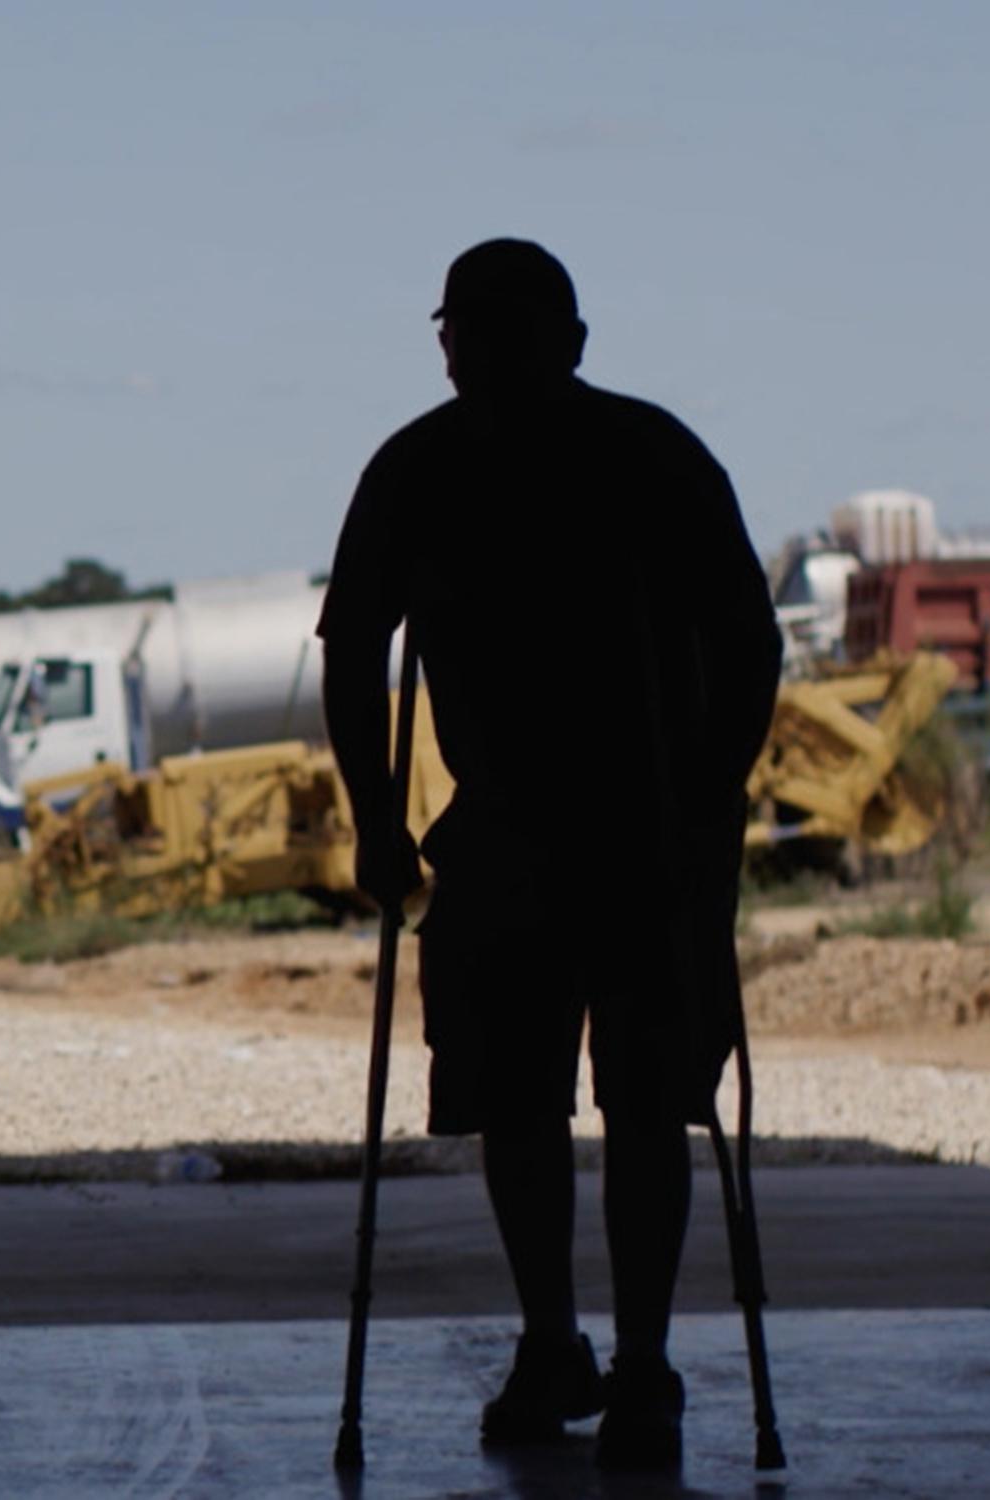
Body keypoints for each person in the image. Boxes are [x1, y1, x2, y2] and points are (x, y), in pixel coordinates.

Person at [317, 239, 782, 1472]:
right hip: (567, 840)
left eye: (491, 332)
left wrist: (702, 798)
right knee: (551, 1104)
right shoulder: (477, 463)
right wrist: (370, 811)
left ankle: (610, 1356)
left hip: (632, 839)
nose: (478, 355)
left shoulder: (611, 458)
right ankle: (589, 1353)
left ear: (566, 344)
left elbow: (745, 646)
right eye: (466, 334)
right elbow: (355, 649)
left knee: (618, 1103)